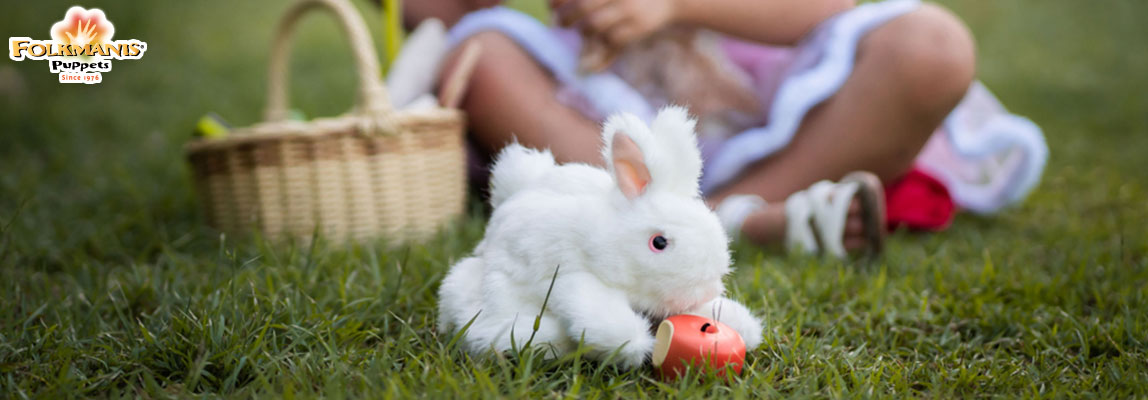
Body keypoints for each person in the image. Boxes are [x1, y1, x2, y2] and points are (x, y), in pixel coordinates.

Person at [404, 0, 1047, 258]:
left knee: (932, 47)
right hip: (616, 116)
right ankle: (704, 220)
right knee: (474, 56)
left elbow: (832, 9)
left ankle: (728, 212)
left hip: (787, 114)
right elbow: (441, 14)